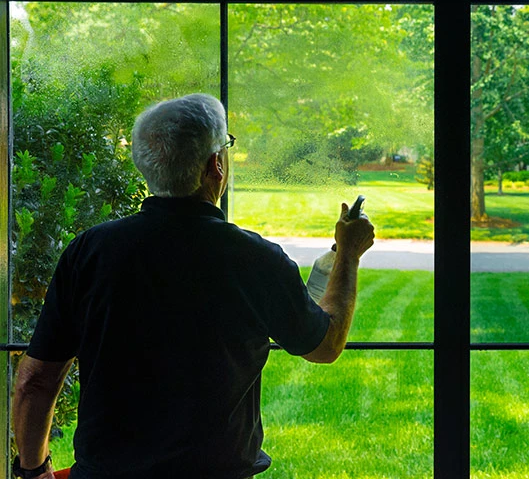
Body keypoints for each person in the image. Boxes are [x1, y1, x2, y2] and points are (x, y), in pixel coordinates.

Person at [11, 93, 374, 479]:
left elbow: (36, 380)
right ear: (215, 166)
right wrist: (348, 255)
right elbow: (325, 345)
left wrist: (35, 471)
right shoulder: (256, 259)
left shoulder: (90, 253)